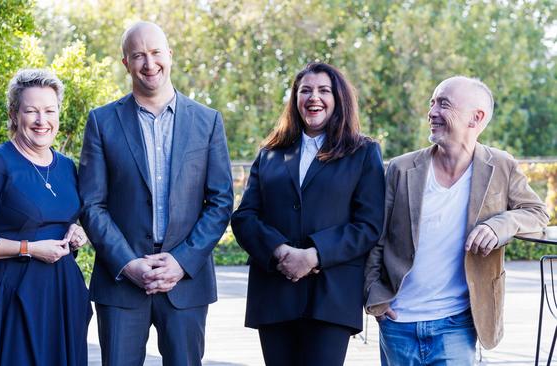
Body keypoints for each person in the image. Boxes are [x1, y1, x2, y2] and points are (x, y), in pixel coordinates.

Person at [78, 21, 233, 366]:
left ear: (170, 56)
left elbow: (221, 202)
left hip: (186, 282)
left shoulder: (207, 121)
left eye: (155, 53)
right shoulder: (102, 122)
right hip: (121, 283)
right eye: (138, 56)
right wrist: (127, 263)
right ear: (126, 63)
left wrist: (181, 261)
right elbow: (92, 204)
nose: (149, 63)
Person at [364, 76, 549, 365]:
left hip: (457, 323)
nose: (432, 112)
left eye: (444, 104)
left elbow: (537, 213)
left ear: (476, 118)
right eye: (432, 102)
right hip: (398, 320)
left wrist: (498, 225)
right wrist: (375, 295)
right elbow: (377, 236)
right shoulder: (401, 169)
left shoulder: (501, 165)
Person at [231, 62, 385, 366]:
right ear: (295, 99)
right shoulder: (271, 153)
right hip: (275, 293)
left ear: (338, 98)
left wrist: (315, 255)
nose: (314, 97)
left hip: (331, 297)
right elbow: (245, 217)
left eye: (323, 90)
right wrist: (279, 251)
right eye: (305, 91)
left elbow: (368, 225)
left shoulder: (363, 152)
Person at [0, 69, 92, 366]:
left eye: (49, 110)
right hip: (6, 297)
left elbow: (60, 218)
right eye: (31, 111)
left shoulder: (66, 167)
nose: (42, 120)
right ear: (14, 114)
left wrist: (76, 233)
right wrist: (28, 248)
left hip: (58, 297)